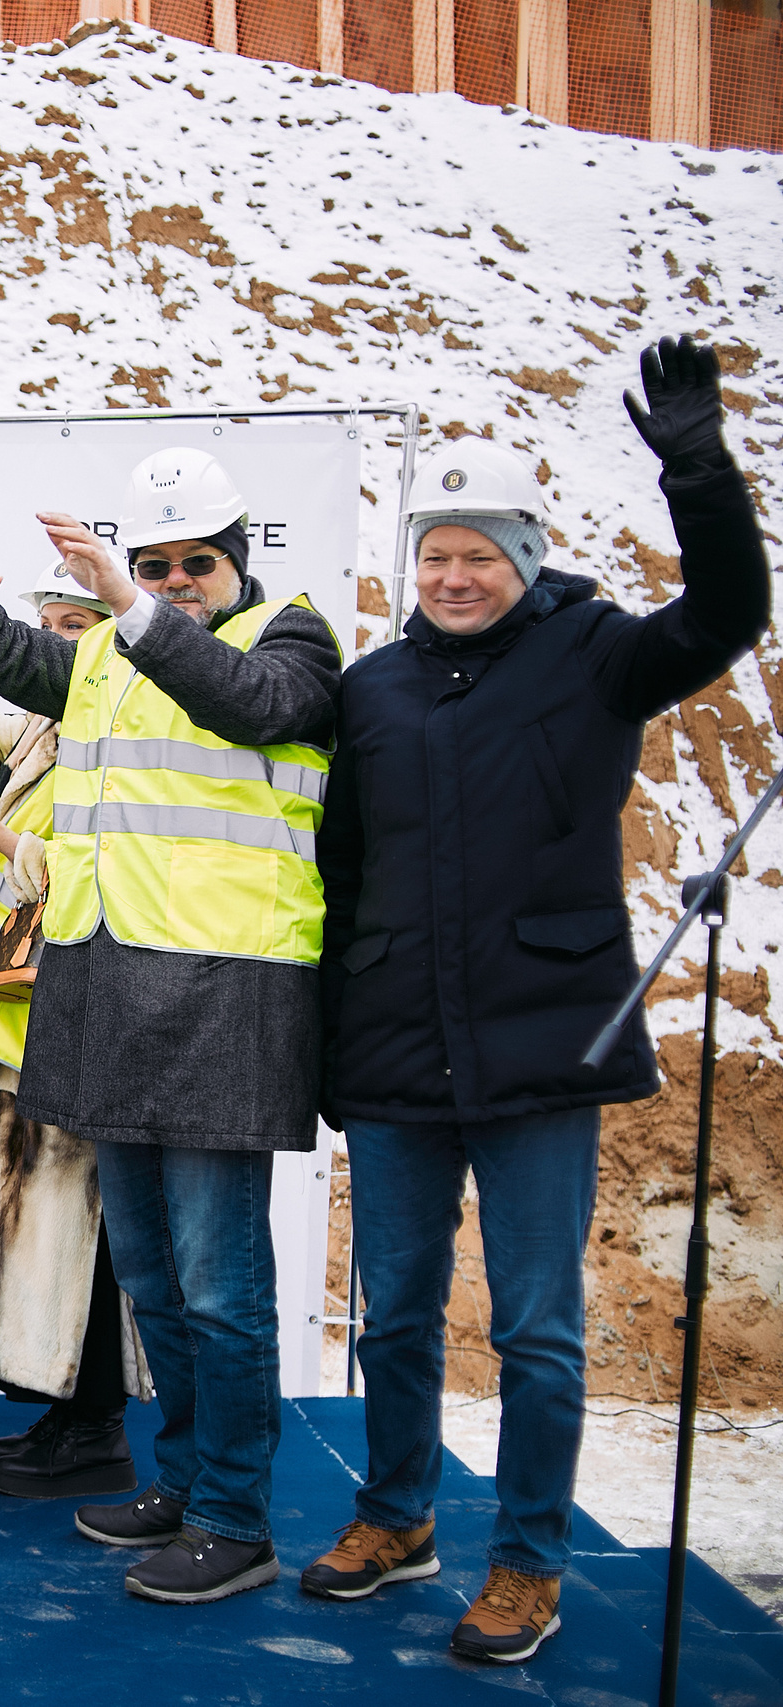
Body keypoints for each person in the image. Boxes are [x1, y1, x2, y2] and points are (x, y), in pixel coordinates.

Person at [303, 338, 770, 1663]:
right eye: (434, 557)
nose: (454, 577)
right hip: (396, 1050)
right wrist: (332, 1044)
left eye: (480, 556)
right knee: (394, 1314)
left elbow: (727, 612)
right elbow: (344, 872)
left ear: (525, 555)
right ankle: (396, 1514)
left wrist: (697, 470)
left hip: (543, 1046)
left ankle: (526, 1562)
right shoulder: (372, 687)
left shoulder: (597, 655)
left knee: (535, 1330)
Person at [0, 442, 341, 1603]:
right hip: (109, 995)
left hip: (227, 1001)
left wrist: (132, 605)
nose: (175, 582)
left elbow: (252, 705)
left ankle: (234, 1519)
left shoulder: (290, 637)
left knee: (221, 1287)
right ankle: (183, 1484)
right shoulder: (104, 658)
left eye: (195, 564)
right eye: (155, 564)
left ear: (235, 559)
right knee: (153, 1277)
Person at [0, 586, 152, 1500]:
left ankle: (96, 1428)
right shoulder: (42, 727)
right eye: (46, 628)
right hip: (17, 1023)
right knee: (39, 1239)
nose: (56, 645)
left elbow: (116, 875)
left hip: (76, 1025)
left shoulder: (124, 739)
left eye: (76, 628)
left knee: (80, 1236)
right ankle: (68, 1417)